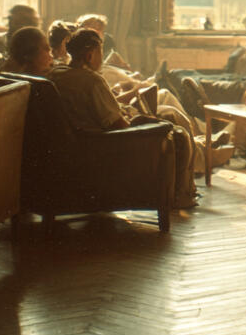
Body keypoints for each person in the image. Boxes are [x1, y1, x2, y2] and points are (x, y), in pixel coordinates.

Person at [50, 29, 196, 209]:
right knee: (179, 134)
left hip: (82, 141)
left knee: (166, 115)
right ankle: (180, 195)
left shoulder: (56, 75)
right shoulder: (92, 81)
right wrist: (141, 124)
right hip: (107, 146)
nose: (102, 58)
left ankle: (183, 191)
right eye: (100, 52)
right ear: (90, 55)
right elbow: (117, 125)